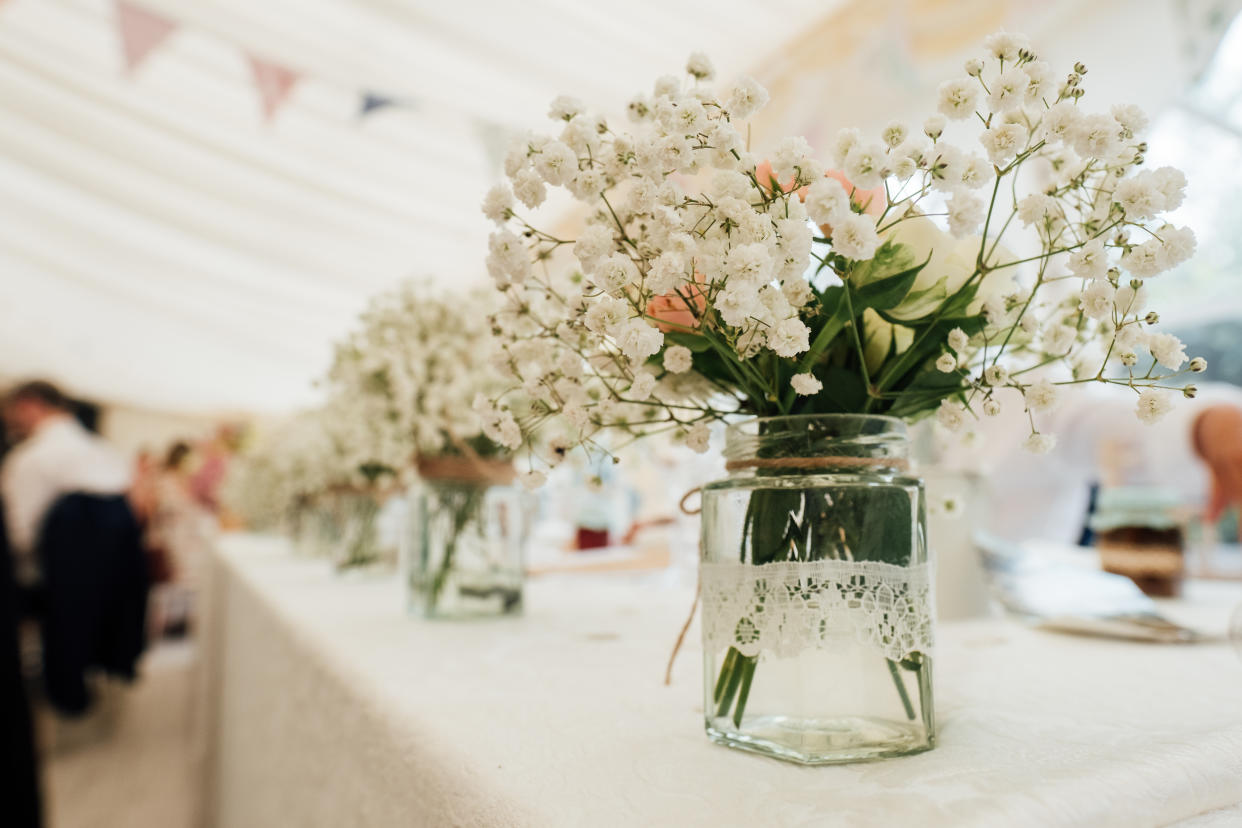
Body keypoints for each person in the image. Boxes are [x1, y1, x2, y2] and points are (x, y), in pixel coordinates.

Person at [0, 382, 132, 585]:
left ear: (29, 405)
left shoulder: (29, 459)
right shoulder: (110, 454)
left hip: (50, 589)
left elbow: (19, 537)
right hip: (110, 588)